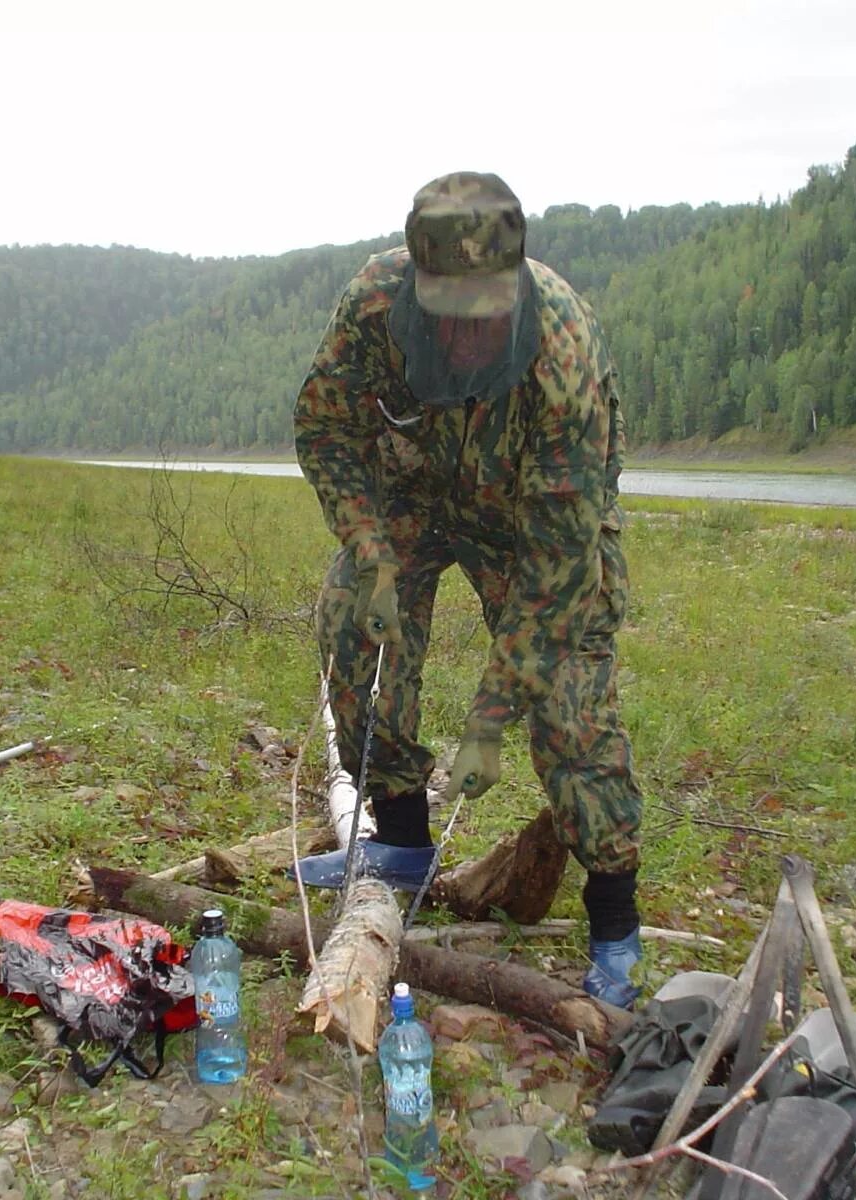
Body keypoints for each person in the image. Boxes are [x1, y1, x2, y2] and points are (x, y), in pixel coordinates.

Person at [291, 171, 647, 1008]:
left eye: (481, 321)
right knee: (353, 625)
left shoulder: (565, 359)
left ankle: (615, 917)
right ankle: (403, 839)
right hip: (412, 494)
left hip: (528, 514)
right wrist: (373, 552)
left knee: (569, 696)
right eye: (446, 320)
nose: (462, 341)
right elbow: (325, 426)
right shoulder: (374, 305)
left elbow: (558, 576)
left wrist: (489, 721)